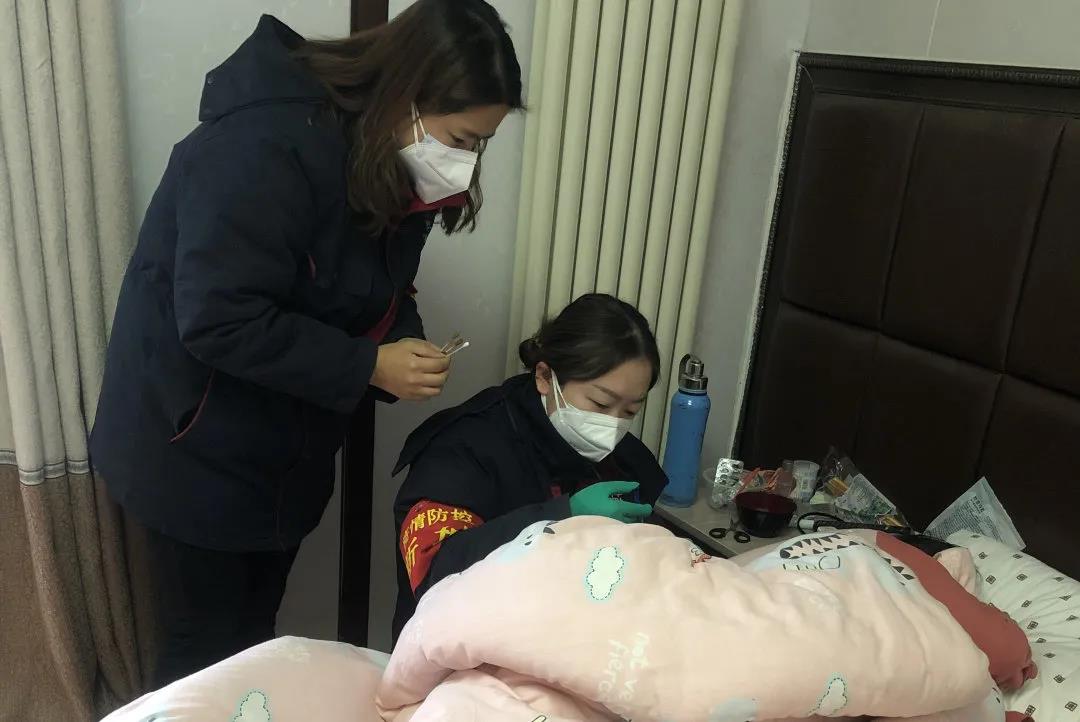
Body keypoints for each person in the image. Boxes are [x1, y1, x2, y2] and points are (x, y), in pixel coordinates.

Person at [89, 0, 522, 687]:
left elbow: (382, 286)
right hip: (190, 447)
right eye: (462, 139)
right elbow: (218, 318)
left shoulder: (388, 157)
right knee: (201, 659)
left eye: (481, 145)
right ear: (406, 96)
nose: (466, 165)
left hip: (283, 449)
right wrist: (368, 364)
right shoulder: (261, 145)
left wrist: (400, 342)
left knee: (251, 644)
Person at [392, 294, 668, 642]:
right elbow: (437, 570)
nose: (611, 427)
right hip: (463, 645)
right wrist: (560, 517)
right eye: (600, 403)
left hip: (573, 641)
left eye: (630, 412)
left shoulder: (623, 460)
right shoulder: (463, 448)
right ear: (544, 376)